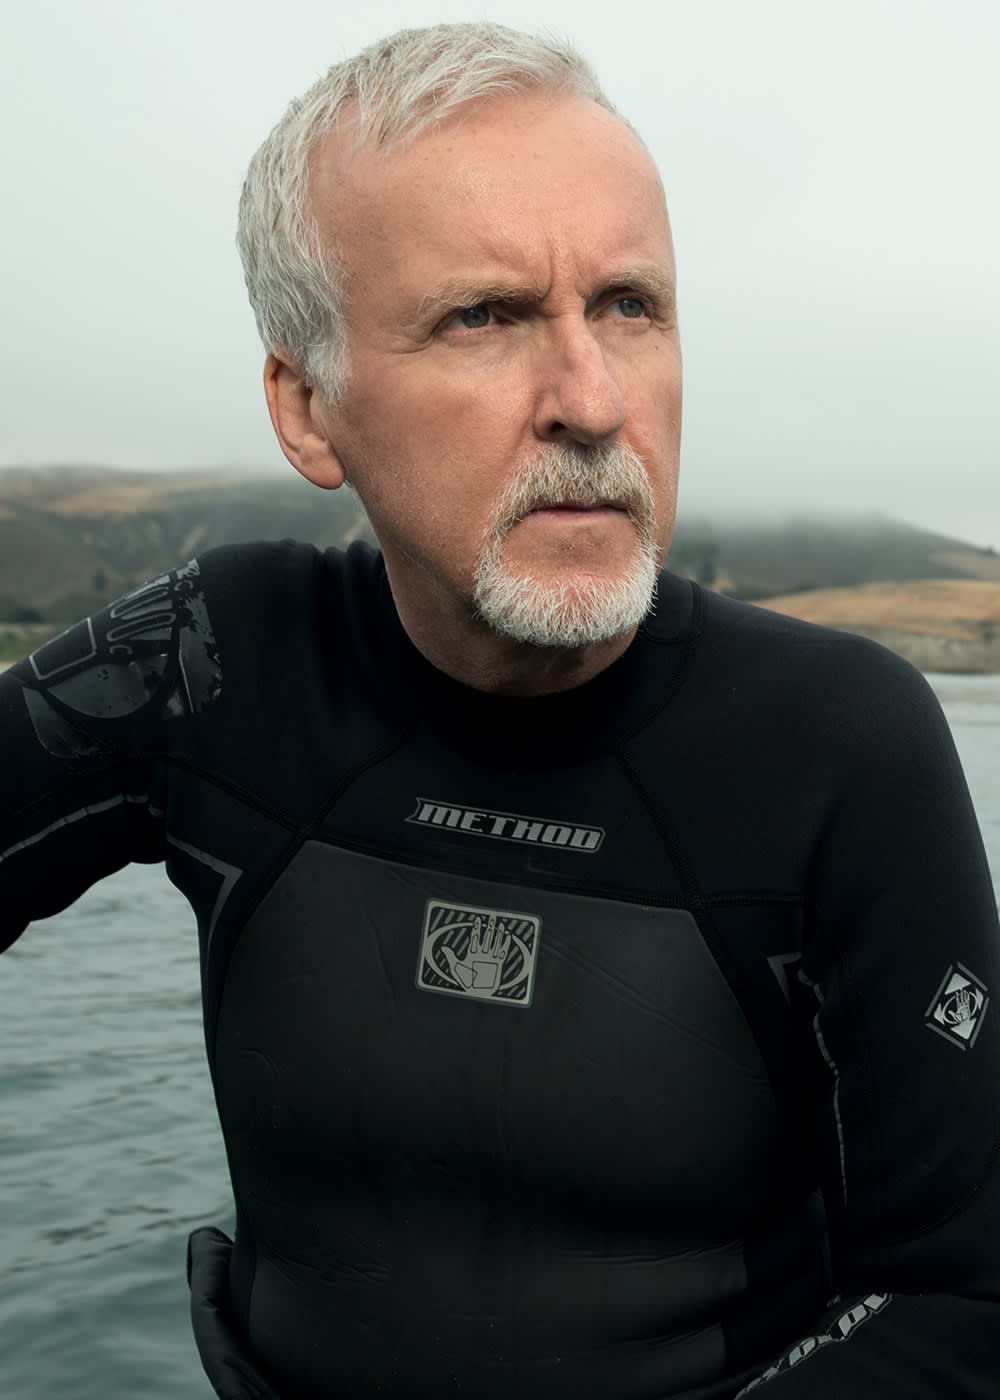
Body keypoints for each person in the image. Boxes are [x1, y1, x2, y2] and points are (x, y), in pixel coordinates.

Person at [2, 20, 999, 1400]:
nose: (592, 399)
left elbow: (966, 1297)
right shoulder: (219, 654)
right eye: (484, 317)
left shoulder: (839, 740)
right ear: (307, 408)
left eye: (630, 305)